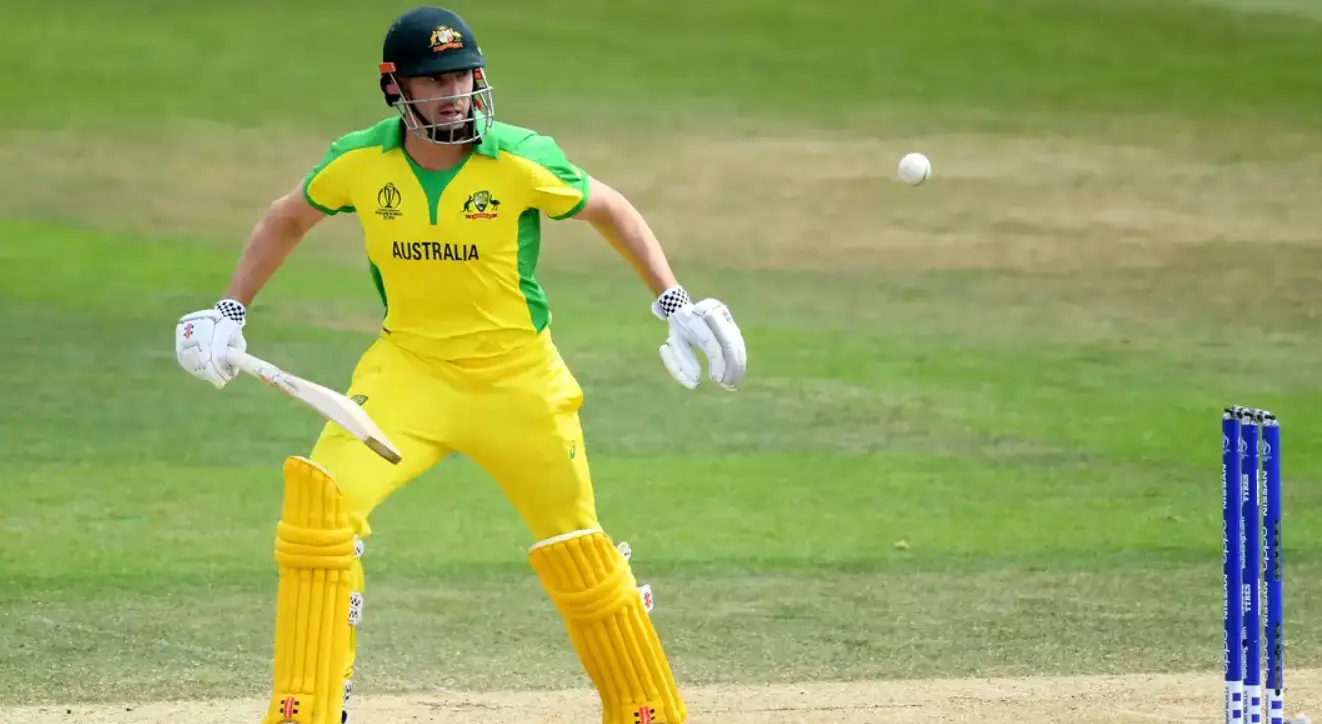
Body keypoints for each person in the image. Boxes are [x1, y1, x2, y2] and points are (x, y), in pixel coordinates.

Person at [172, 6, 746, 724]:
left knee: (577, 545)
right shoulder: (360, 161)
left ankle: (645, 709)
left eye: (465, 76)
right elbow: (286, 217)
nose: (455, 93)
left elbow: (610, 208)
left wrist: (673, 302)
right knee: (321, 506)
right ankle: (307, 708)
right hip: (408, 375)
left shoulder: (519, 158)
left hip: (519, 384)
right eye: (435, 80)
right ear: (397, 88)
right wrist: (230, 310)